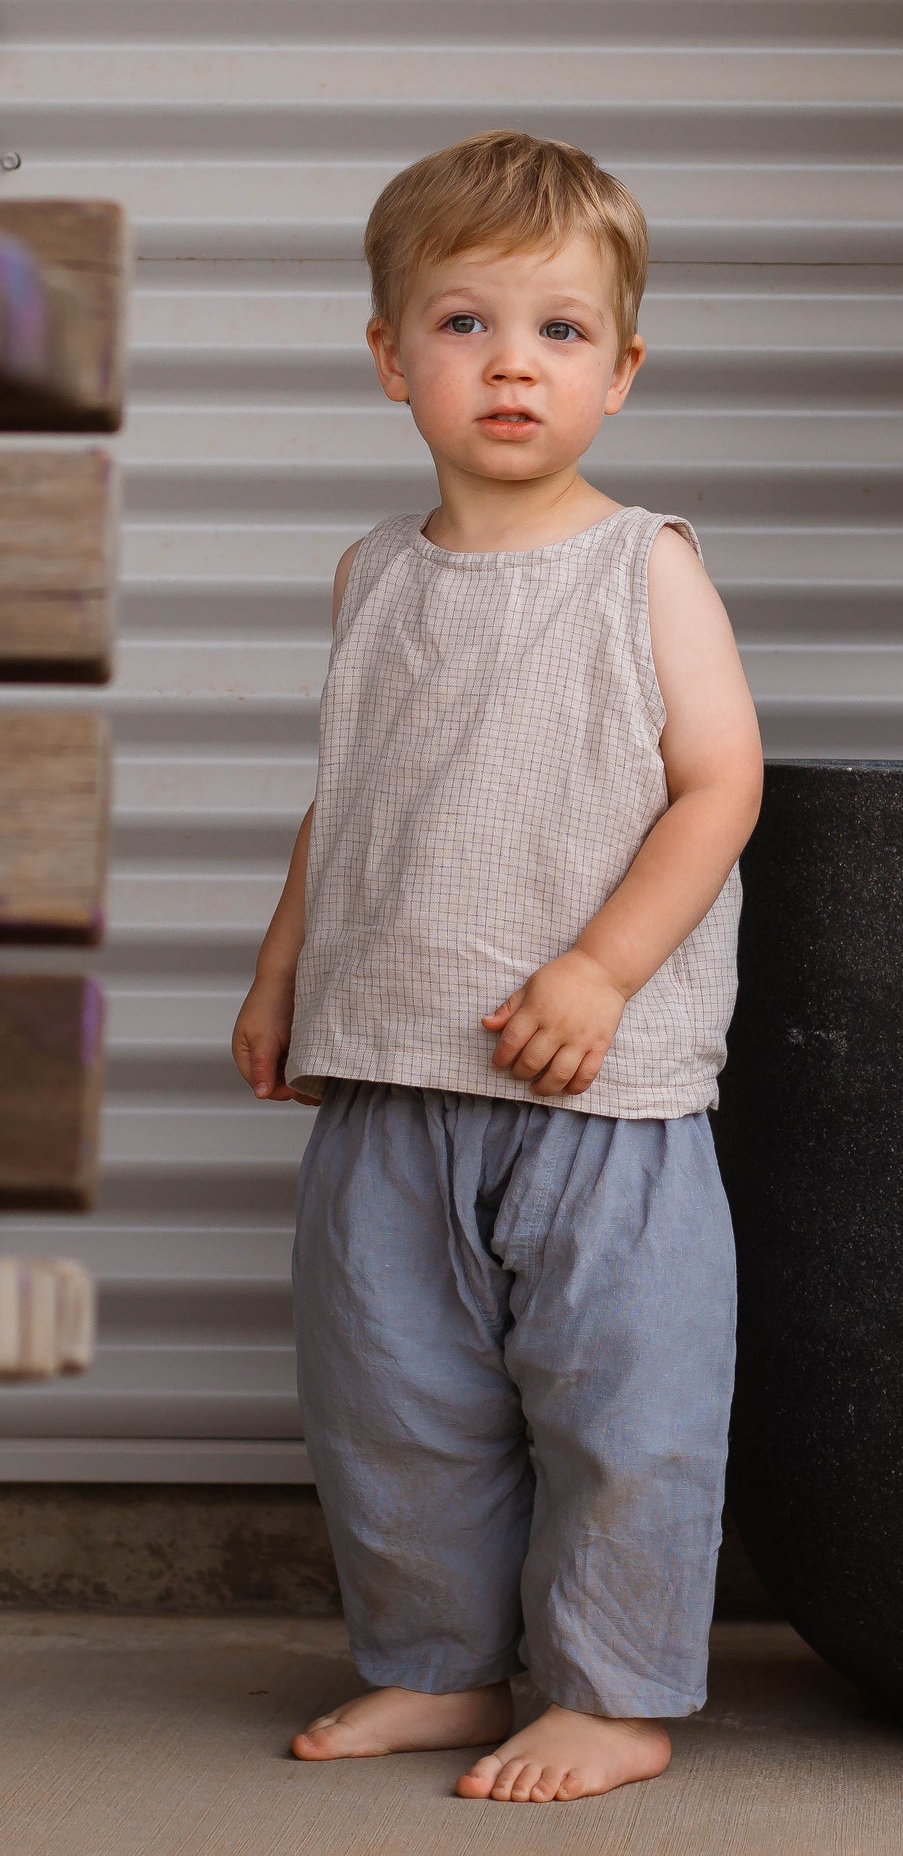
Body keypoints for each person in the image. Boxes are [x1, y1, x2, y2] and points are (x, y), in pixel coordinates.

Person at [230, 128, 763, 1804]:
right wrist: (282, 972)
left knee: (623, 1406)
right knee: (395, 1407)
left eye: (559, 330)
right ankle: (440, 1666)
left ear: (621, 369)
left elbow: (719, 785)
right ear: (392, 359)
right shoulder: (373, 576)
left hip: (597, 1093)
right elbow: (347, 798)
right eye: (465, 324)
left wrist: (601, 969)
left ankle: (609, 1692)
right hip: (390, 1078)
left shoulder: (643, 565)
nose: (512, 365)